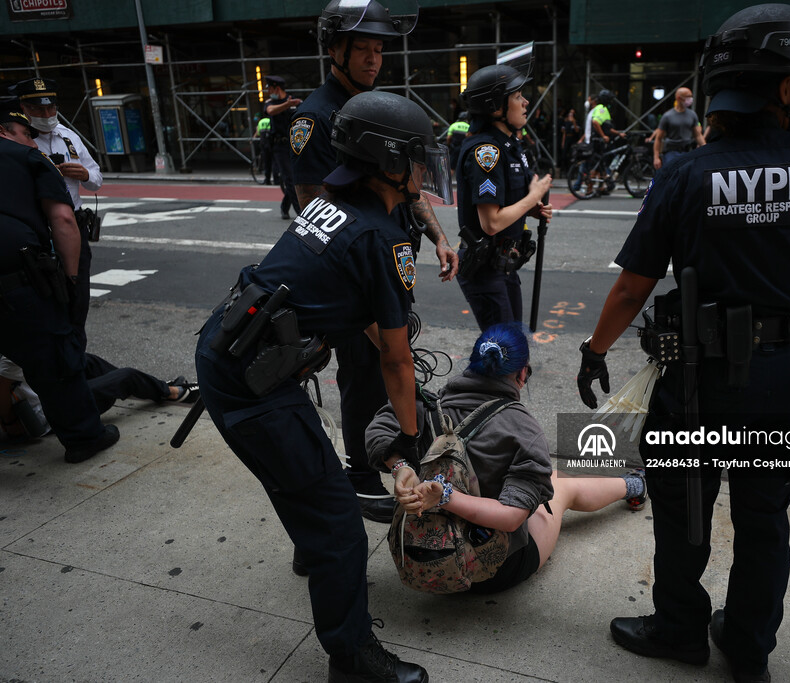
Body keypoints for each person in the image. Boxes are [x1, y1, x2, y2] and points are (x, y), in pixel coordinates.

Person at [576, 5, 790, 682]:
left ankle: (679, 629)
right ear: (784, 88)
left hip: (702, 382)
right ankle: (749, 646)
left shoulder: (686, 175)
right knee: (764, 513)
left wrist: (595, 351)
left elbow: (633, 287)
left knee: (683, 507)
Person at [194, 90, 450, 683]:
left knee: (305, 480)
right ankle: (352, 657)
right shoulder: (384, 238)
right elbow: (395, 360)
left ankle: (313, 549)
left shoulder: (329, 206)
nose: (423, 170)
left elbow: (348, 298)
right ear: (387, 163)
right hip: (254, 383)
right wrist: (409, 444)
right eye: (416, 158)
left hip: (230, 357)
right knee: (339, 521)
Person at [289, 0, 459, 528]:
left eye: (379, 49)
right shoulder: (314, 117)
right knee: (365, 378)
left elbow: (403, 179)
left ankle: (379, 466)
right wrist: (368, 317)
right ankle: (360, 477)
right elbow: (314, 206)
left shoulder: (379, 106)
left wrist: (437, 235)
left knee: (387, 369)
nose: (372, 59)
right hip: (354, 275)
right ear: (335, 49)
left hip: (386, 259)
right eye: (361, 48)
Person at [366, 323, 647, 594]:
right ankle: (635, 485)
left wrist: (401, 467)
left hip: (417, 558)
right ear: (522, 374)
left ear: (472, 363)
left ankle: (633, 484)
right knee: (561, 484)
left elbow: (378, 429)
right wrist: (444, 496)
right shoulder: (524, 430)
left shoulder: (422, 408)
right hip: (492, 571)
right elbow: (511, 518)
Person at [0, 99, 119, 464]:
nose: (34, 143)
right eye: (26, 134)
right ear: (3, 132)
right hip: (13, 282)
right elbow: (63, 220)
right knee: (54, 357)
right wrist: (69, 279)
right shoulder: (28, 159)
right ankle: (83, 437)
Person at [455, 62, 553, 330]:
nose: (526, 102)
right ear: (495, 106)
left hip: (504, 264)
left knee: (516, 348)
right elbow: (491, 223)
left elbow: (507, 203)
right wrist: (533, 198)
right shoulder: (486, 151)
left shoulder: (510, 144)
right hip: (485, 270)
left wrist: (530, 209)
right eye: (517, 96)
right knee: (504, 356)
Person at [11, 77, 103, 344]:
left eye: (51, 108)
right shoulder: (19, 139)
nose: (47, 115)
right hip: (38, 227)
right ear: (23, 108)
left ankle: (74, 349)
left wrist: (84, 173)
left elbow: (96, 177)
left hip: (74, 224)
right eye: (38, 110)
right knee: (47, 296)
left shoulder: (68, 135)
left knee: (78, 295)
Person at [0, 353, 197, 439]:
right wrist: (11, 422)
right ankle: (173, 393)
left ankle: (156, 387)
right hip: (51, 414)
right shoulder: (14, 352)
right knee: (126, 377)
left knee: (87, 361)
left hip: (53, 399)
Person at [263, 75, 302, 219]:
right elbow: (271, 111)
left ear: (276, 88)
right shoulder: (270, 103)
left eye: (269, 89)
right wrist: (287, 104)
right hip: (279, 146)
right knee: (289, 179)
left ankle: (284, 207)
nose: (268, 92)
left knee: (296, 179)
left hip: (295, 144)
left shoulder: (295, 101)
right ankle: (301, 215)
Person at [652, 86, 706, 170]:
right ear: (679, 98)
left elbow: (698, 135)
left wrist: (705, 150)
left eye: (691, 96)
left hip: (687, 151)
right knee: (672, 176)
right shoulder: (667, 116)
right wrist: (656, 157)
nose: (690, 99)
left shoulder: (692, 115)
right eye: (687, 96)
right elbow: (658, 138)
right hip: (671, 152)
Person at [254, 114, 274, 184]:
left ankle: (267, 180)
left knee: (266, 162)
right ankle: (276, 179)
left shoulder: (261, 122)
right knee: (274, 162)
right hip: (271, 143)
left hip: (263, 143)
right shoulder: (271, 120)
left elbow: (258, 132)